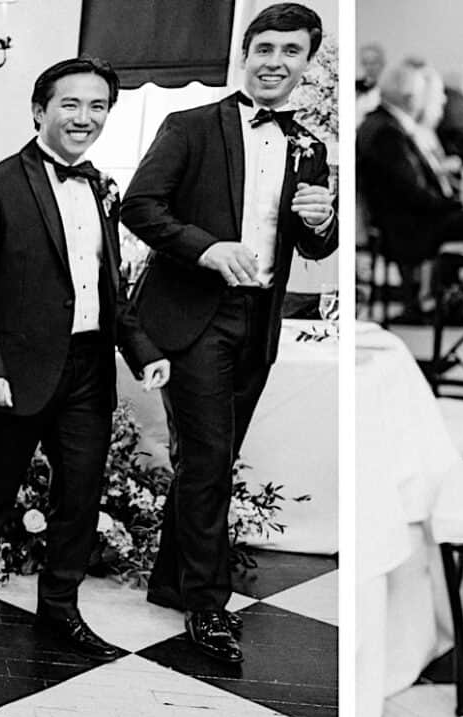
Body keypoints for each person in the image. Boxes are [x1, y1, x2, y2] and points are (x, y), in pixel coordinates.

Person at [124, 2, 340, 664]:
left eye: (291, 51)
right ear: (245, 54)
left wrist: (324, 218)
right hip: (194, 316)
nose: (276, 61)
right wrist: (206, 248)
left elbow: (313, 244)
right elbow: (138, 206)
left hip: (258, 320)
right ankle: (207, 606)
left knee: (207, 456)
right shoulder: (188, 126)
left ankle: (171, 580)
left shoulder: (311, 145)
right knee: (212, 458)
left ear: (307, 62)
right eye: (265, 48)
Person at [0, 57, 171, 657]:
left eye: (98, 107)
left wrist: (142, 352)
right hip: (16, 371)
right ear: (40, 110)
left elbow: (108, 286)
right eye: (71, 104)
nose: (85, 118)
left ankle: (60, 609)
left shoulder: (101, 187)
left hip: (89, 368)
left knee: (80, 494)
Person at [360, 59, 463, 275]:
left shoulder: (382, 124)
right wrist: (456, 205)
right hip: (411, 229)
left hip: (408, 221)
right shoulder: (387, 132)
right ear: (408, 96)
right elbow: (413, 192)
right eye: (418, 93)